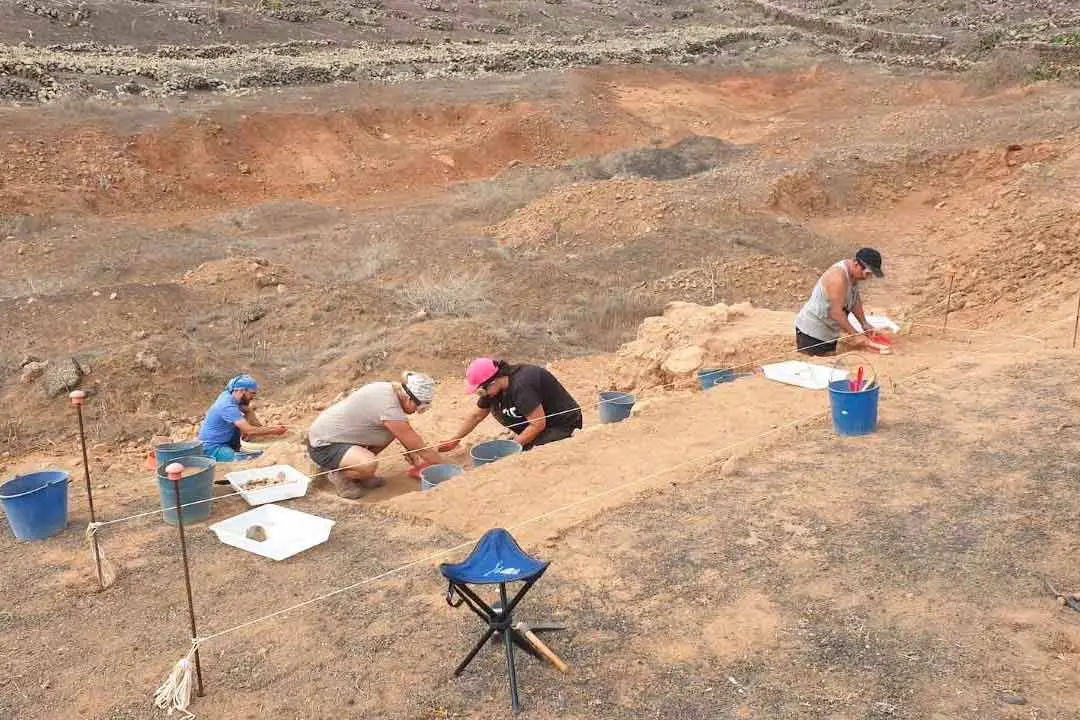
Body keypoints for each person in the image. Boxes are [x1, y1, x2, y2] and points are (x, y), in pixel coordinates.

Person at [306, 371, 445, 499]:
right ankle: (340, 474)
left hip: (339, 436)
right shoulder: (389, 408)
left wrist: (414, 454)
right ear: (409, 398)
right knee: (368, 464)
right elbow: (421, 448)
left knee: (389, 432)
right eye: (419, 407)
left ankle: (356, 469)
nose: (416, 411)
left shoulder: (391, 390)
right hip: (324, 446)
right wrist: (445, 468)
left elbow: (407, 437)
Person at [440, 358, 582, 453]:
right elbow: (476, 416)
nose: (480, 394)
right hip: (536, 427)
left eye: (480, 390)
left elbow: (537, 424)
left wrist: (509, 449)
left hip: (560, 425)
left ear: (493, 382)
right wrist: (455, 439)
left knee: (529, 456)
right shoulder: (492, 391)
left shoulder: (522, 386)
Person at [794, 247, 887, 356]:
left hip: (829, 332)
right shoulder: (838, 278)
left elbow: (854, 299)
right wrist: (855, 335)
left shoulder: (853, 274)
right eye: (867, 273)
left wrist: (864, 324)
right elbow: (836, 313)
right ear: (856, 264)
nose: (866, 278)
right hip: (811, 333)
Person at [197, 375, 287, 462]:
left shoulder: (230, 395)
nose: (253, 397)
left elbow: (247, 411)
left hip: (226, 440)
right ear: (241, 391)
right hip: (212, 447)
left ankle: (237, 447)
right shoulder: (227, 405)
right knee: (248, 459)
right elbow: (249, 430)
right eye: (252, 393)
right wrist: (274, 430)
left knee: (243, 421)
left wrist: (259, 428)